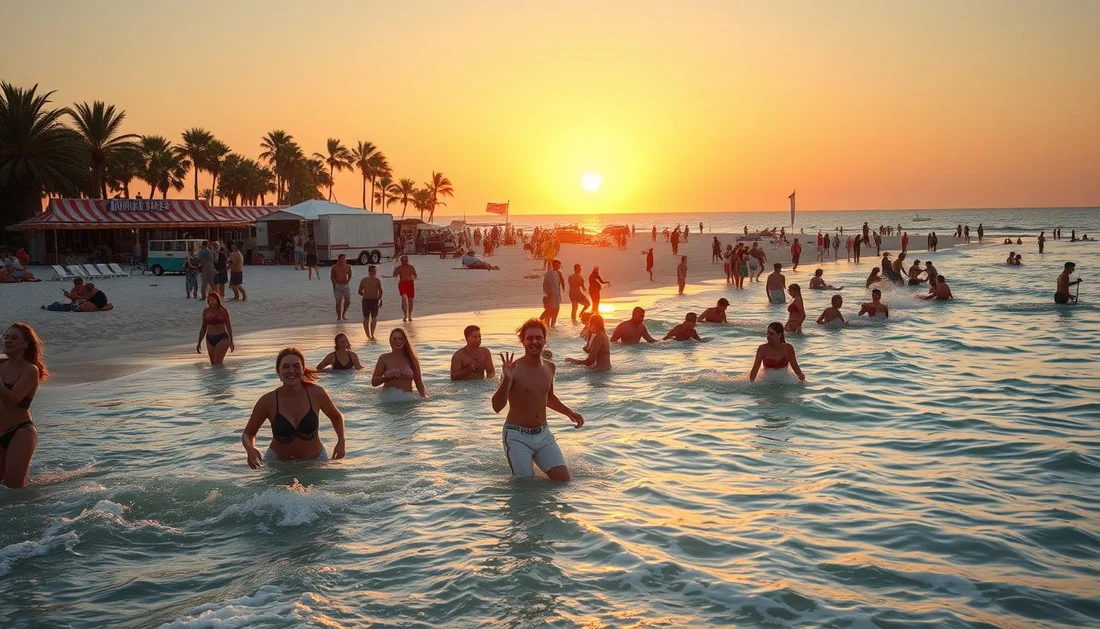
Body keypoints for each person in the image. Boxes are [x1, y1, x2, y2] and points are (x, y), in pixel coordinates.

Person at [492, 318, 584, 481]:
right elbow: (497, 407)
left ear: (544, 340)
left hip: (543, 434)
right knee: (525, 485)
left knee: (563, 480)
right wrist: (507, 378)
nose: (534, 342)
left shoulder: (550, 367)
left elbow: (548, 397)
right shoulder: (513, 369)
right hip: (516, 435)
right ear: (523, 341)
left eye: (538, 337)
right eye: (529, 338)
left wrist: (569, 412)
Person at [242, 348, 346, 466]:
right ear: (278, 372)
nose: (291, 370)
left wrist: (341, 440)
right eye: (286, 367)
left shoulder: (316, 393)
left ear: (303, 369)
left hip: (315, 461)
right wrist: (250, 449)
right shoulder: (267, 401)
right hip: (278, 464)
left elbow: (336, 416)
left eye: (296, 366)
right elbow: (248, 433)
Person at [0, 323, 48, 488]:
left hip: (20, 432)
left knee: (13, 488)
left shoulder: (30, 370)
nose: (8, 341)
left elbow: (13, 399)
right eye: (6, 337)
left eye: (14, 338)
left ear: (25, 344)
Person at [371, 328, 426, 397]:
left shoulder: (412, 359)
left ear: (405, 341)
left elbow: (419, 383)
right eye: (394, 339)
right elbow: (374, 382)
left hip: (407, 399)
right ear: (390, 340)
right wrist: (388, 377)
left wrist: (423, 396)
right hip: (387, 399)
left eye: (400, 338)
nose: (397, 341)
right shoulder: (384, 358)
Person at [196, 292, 234, 365]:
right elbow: (204, 327)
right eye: (210, 300)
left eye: (213, 300)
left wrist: (231, 341)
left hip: (222, 338)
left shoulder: (223, 310)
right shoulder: (206, 311)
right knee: (213, 365)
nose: (212, 301)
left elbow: (228, 326)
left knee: (217, 364)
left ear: (217, 300)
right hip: (209, 338)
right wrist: (199, 342)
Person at [358, 264, 383, 340]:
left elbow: (359, 291)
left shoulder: (364, 280)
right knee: (373, 317)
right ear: (374, 271)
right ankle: (372, 334)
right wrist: (379, 299)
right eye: (375, 271)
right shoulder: (377, 280)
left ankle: (368, 335)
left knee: (366, 318)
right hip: (373, 300)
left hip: (366, 300)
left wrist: (365, 294)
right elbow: (381, 291)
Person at [540, 259, 566, 327]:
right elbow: (545, 284)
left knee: (555, 310)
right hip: (550, 296)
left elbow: (561, 284)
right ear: (553, 265)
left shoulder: (559, 273)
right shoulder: (549, 273)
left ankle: (552, 326)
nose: (558, 267)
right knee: (549, 311)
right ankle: (545, 324)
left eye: (559, 266)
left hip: (556, 296)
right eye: (557, 266)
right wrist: (547, 294)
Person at [393, 255, 419, 322]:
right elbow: (394, 275)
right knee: (404, 297)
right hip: (402, 283)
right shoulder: (399, 267)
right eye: (403, 261)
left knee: (411, 300)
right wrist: (395, 267)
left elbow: (415, 276)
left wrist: (412, 277)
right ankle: (405, 315)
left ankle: (410, 315)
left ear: (407, 261)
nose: (405, 262)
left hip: (410, 283)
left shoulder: (411, 267)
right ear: (401, 261)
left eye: (405, 261)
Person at [330, 254, 353, 321]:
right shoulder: (334, 267)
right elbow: (332, 277)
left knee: (347, 301)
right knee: (338, 302)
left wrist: (348, 280)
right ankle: (339, 317)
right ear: (339, 260)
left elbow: (350, 274)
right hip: (337, 285)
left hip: (345, 285)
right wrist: (334, 284)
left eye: (344, 259)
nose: (344, 260)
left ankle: (343, 315)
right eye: (342, 259)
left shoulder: (348, 267)